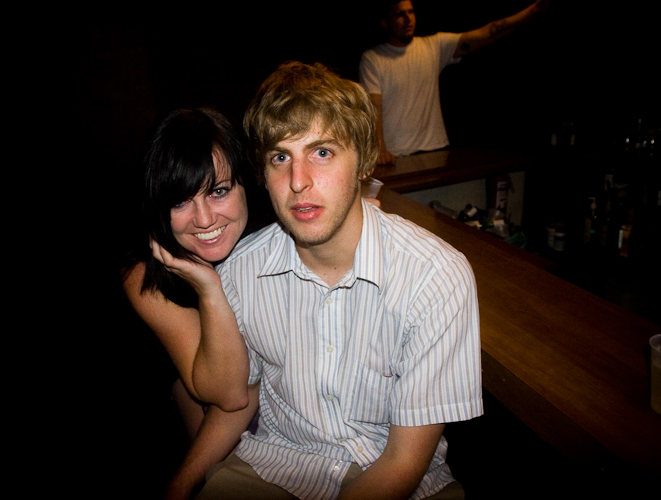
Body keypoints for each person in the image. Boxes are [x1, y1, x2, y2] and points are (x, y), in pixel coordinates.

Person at [189, 61, 482, 500]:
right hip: (273, 467)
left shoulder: (435, 277)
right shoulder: (241, 271)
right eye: (280, 157)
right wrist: (179, 485)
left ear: (363, 161)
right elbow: (239, 398)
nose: (298, 182)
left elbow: (404, 461)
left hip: (398, 478)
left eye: (322, 152)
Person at [122, 107, 272, 439]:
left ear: (245, 183)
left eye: (218, 192)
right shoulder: (146, 274)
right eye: (180, 201)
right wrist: (210, 290)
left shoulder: (278, 235)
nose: (204, 220)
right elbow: (230, 396)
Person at [360, 0, 549, 164]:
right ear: (385, 23)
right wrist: (380, 149)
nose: (408, 19)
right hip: (397, 154)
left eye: (411, 12)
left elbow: (489, 33)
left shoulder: (433, 46)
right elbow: (373, 107)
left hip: (435, 149)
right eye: (400, 14)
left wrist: (531, 11)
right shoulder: (374, 58)